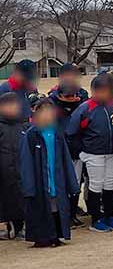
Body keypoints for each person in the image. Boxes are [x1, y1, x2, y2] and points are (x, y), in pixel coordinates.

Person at [66, 73, 113, 233]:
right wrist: (83, 150)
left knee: (110, 184)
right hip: (93, 154)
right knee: (96, 184)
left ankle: (109, 216)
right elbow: (72, 132)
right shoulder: (85, 108)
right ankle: (96, 218)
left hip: (112, 153)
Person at [19, 98, 79, 247]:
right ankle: (42, 237)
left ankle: (56, 235)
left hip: (56, 177)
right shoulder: (32, 135)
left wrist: (72, 183)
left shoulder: (57, 133)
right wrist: (28, 185)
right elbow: (26, 161)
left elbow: (66, 158)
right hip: (39, 179)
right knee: (40, 207)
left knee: (56, 206)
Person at [49, 63, 90, 227]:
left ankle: (72, 213)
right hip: (61, 147)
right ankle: (62, 215)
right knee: (63, 183)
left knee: (76, 183)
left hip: (78, 147)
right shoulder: (52, 98)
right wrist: (63, 100)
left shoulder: (83, 95)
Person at [0, 93, 30, 240]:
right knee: (5, 199)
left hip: (20, 170)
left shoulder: (23, 125)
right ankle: (6, 226)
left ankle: (19, 227)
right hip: (4, 171)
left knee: (20, 198)